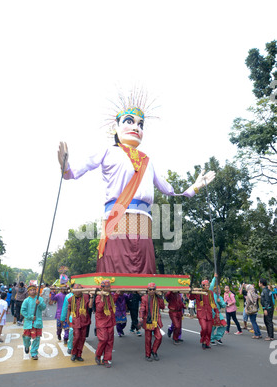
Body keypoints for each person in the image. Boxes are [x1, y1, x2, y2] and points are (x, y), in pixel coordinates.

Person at [57, 90, 215, 275]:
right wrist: (65, 166)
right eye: (129, 121)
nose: (136, 127)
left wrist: (195, 187)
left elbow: (169, 190)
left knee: (143, 265)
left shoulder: (148, 160)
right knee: (116, 264)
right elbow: (73, 173)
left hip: (145, 219)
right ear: (116, 127)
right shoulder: (108, 151)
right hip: (118, 215)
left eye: (141, 124)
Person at [94, 280, 120, 368]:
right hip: (101, 322)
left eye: (109, 287)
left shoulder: (110, 296)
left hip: (110, 321)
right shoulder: (98, 297)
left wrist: (117, 294)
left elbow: (114, 300)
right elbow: (98, 309)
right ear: (102, 288)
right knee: (104, 339)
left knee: (110, 341)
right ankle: (98, 355)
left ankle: (106, 359)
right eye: (107, 287)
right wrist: (101, 298)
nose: (109, 288)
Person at [139, 283, 165, 361]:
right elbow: (142, 308)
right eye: (150, 289)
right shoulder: (144, 298)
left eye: (153, 289)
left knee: (159, 337)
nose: (152, 291)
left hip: (156, 321)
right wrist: (141, 316)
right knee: (148, 339)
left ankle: (154, 351)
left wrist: (160, 297)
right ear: (148, 290)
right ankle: (148, 355)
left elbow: (163, 307)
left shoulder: (158, 298)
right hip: (148, 320)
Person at [67, 284, 93, 362]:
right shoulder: (71, 299)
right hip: (76, 321)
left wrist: (91, 297)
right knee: (76, 337)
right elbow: (69, 309)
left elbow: (90, 306)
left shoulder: (85, 297)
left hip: (84, 320)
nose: (77, 291)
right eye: (76, 289)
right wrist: (67, 318)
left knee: (82, 338)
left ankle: (79, 355)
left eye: (79, 289)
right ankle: (74, 353)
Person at [190, 280, 218, 349]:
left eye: (208, 285)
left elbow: (213, 303)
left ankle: (207, 343)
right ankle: (203, 341)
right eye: (206, 285)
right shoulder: (198, 292)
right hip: (201, 313)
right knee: (204, 328)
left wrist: (216, 311)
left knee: (209, 330)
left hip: (209, 313)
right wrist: (193, 290)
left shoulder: (210, 293)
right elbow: (191, 298)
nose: (208, 286)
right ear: (202, 286)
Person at [21, 285, 46, 360]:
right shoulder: (26, 300)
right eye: (31, 290)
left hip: (37, 323)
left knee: (37, 338)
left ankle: (34, 353)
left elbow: (44, 307)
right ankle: (26, 345)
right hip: (28, 323)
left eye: (34, 290)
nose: (32, 291)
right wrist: (30, 317)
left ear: (36, 291)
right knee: (26, 337)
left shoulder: (40, 299)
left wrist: (39, 304)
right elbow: (23, 311)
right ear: (28, 292)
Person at [209, 275, 227, 345]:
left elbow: (224, 305)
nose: (218, 290)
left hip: (218, 313)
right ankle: (211, 339)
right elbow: (210, 286)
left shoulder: (220, 297)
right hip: (212, 313)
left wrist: (220, 301)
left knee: (223, 325)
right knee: (212, 327)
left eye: (219, 289)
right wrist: (214, 278)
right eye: (217, 288)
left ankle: (218, 337)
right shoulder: (211, 294)